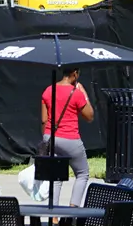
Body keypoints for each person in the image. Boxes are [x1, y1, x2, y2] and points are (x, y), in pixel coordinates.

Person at [40, 67, 94, 207]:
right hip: (70, 139)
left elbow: (44, 120)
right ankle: (72, 212)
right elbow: (89, 116)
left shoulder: (48, 90)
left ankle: (54, 216)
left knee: (55, 176)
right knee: (82, 173)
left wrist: (46, 140)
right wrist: (84, 93)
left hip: (50, 137)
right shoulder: (76, 93)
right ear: (75, 74)